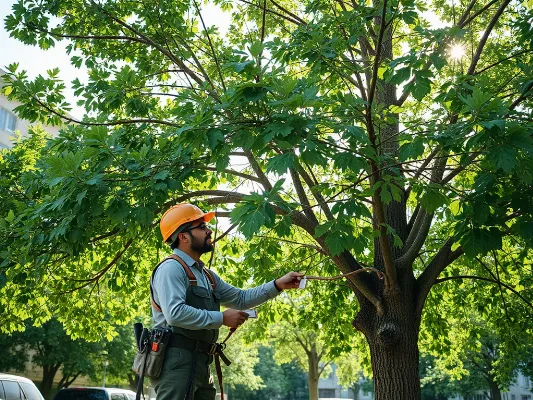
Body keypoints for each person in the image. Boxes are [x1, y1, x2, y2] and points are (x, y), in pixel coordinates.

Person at [150, 203, 303, 400]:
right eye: (201, 227)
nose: (209, 230)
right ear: (183, 236)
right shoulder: (171, 269)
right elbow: (175, 314)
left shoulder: (206, 275)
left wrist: (278, 285)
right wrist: (221, 318)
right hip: (177, 361)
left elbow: (240, 298)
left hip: (201, 362)